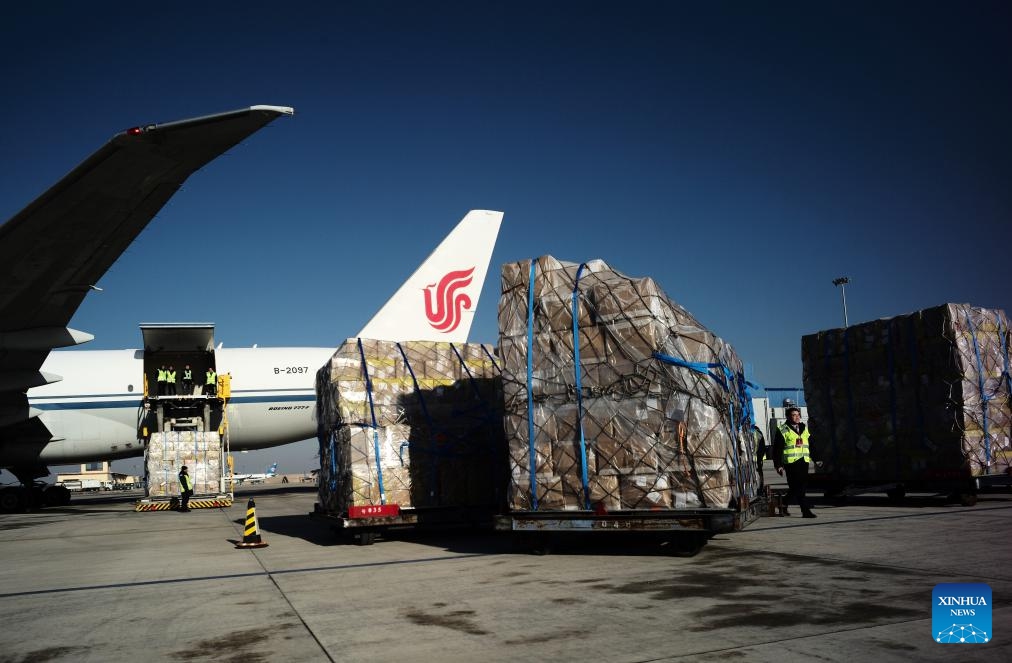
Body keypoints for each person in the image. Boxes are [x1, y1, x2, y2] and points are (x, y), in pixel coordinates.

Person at [772, 406, 818, 518]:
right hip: (791, 463)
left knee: (797, 487)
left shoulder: (804, 428)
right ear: (788, 417)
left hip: (803, 461)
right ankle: (805, 511)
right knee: (799, 487)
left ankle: (783, 502)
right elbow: (777, 449)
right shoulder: (783, 429)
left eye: (798, 415)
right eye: (794, 415)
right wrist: (778, 465)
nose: (797, 417)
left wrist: (817, 458)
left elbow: (810, 445)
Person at [753, 424, 766, 489]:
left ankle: (757, 487)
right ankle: (760, 487)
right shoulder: (758, 433)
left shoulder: (755, 433)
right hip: (758, 458)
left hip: (752, 458)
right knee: (759, 472)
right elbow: (762, 447)